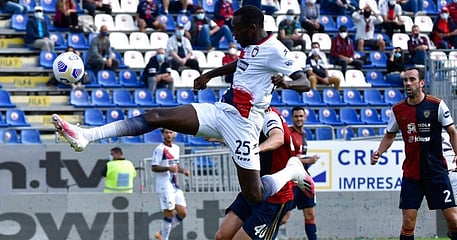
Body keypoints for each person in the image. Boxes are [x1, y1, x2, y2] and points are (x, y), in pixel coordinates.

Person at [52, 6, 314, 207]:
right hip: (222, 112)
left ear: (254, 27)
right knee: (157, 116)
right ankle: (87, 135)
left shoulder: (276, 50)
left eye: (237, 28)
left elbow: (305, 82)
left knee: (254, 195)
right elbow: (244, 63)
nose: (233, 33)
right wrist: (210, 74)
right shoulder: (251, 45)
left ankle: (292, 169)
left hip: (245, 125)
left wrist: (287, 84)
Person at [370, 67, 457, 240]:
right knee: (408, 222)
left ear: (421, 83)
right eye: (405, 80)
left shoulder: (437, 105)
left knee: (452, 219)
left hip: (437, 172)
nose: (407, 83)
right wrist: (379, 152)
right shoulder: (398, 110)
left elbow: (452, 132)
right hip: (412, 174)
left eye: (412, 79)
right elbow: (389, 135)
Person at [215, 107, 298, 240]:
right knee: (221, 236)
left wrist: (256, 149)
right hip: (253, 190)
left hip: (274, 196)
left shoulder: (269, 116)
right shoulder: (252, 117)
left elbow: (278, 138)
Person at [281, 106, 318, 240]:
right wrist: (308, 160)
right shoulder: (289, 134)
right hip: (291, 181)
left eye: (301, 116)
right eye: (296, 116)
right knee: (283, 217)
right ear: (292, 118)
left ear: (305, 117)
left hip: (303, 180)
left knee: (310, 214)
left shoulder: (304, 134)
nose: (299, 119)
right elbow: (289, 158)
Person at [151, 129, 190, 240]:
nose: (168, 135)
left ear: (175, 134)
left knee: (182, 213)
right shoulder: (159, 149)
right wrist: (168, 168)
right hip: (165, 186)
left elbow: (175, 164)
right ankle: (164, 237)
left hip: (175, 185)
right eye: (166, 132)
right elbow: (154, 167)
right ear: (162, 134)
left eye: (170, 132)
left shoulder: (176, 148)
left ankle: (161, 234)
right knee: (169, 213)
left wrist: (183, 171)